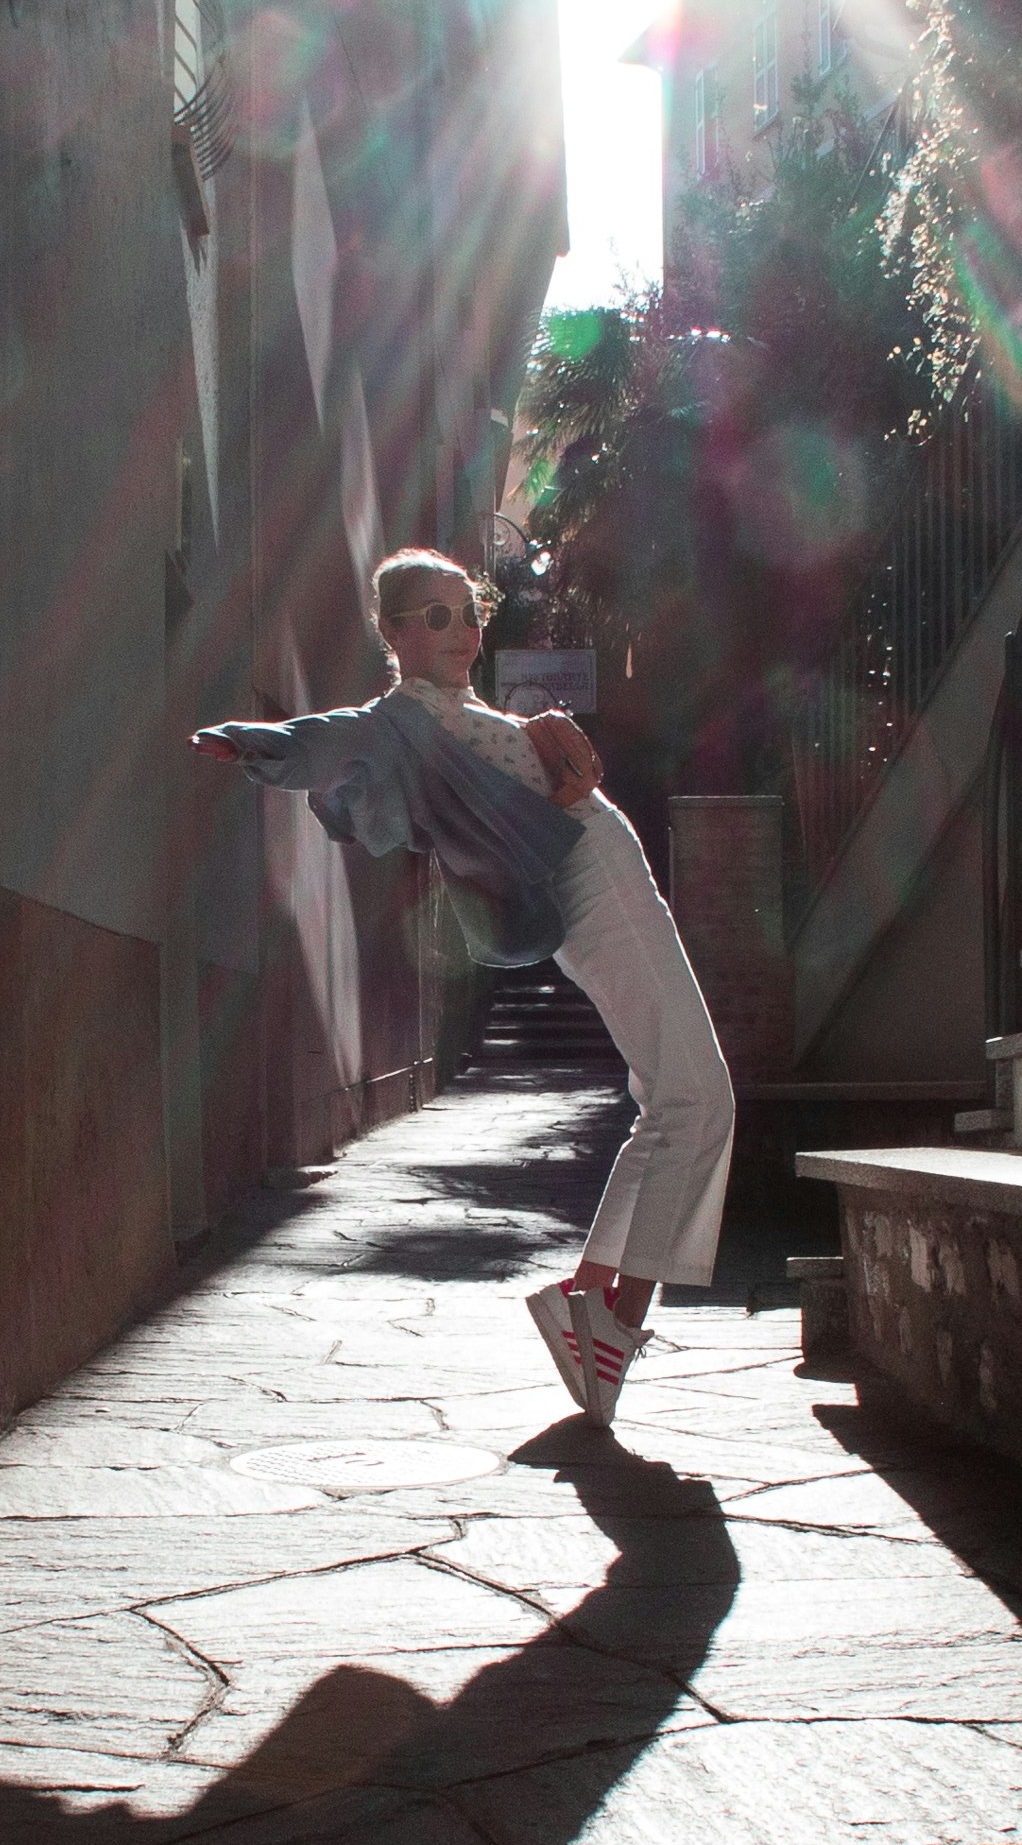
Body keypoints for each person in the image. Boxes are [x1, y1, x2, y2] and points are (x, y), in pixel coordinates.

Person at [192, 549, 736, 1425]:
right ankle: (610, 1322)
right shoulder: (402, 716)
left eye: (470, 616)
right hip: (592, 878)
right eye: (437, 617)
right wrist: (256, 746)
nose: (462, 632)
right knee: (698, 1096)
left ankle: (592, 1303)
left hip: (597, 867)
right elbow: (329, 737)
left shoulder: (458, 709)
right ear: (395, 632)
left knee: (673, 1100)